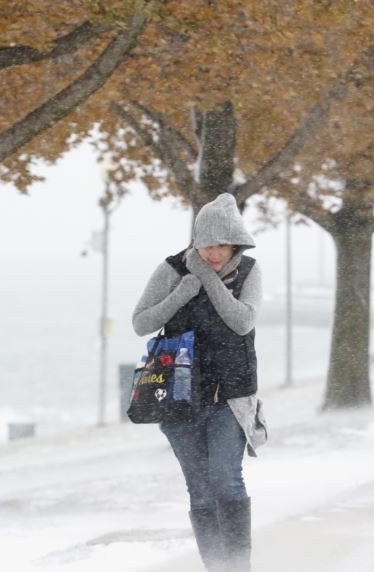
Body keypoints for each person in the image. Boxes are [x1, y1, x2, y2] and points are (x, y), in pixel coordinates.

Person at [132, 193, 267, 572]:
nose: (214, 253)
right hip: (179, 398)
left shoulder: (249, 271)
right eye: (206, 245)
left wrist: (206, 279)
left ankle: (238, 567)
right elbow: (141, 322)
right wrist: (180, 293)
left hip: (231, 396)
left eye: (222, 244)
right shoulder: (172, 270)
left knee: (227, 480)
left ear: (235, 242)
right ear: (195, 241)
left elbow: (242, 321)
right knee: (200, 488)